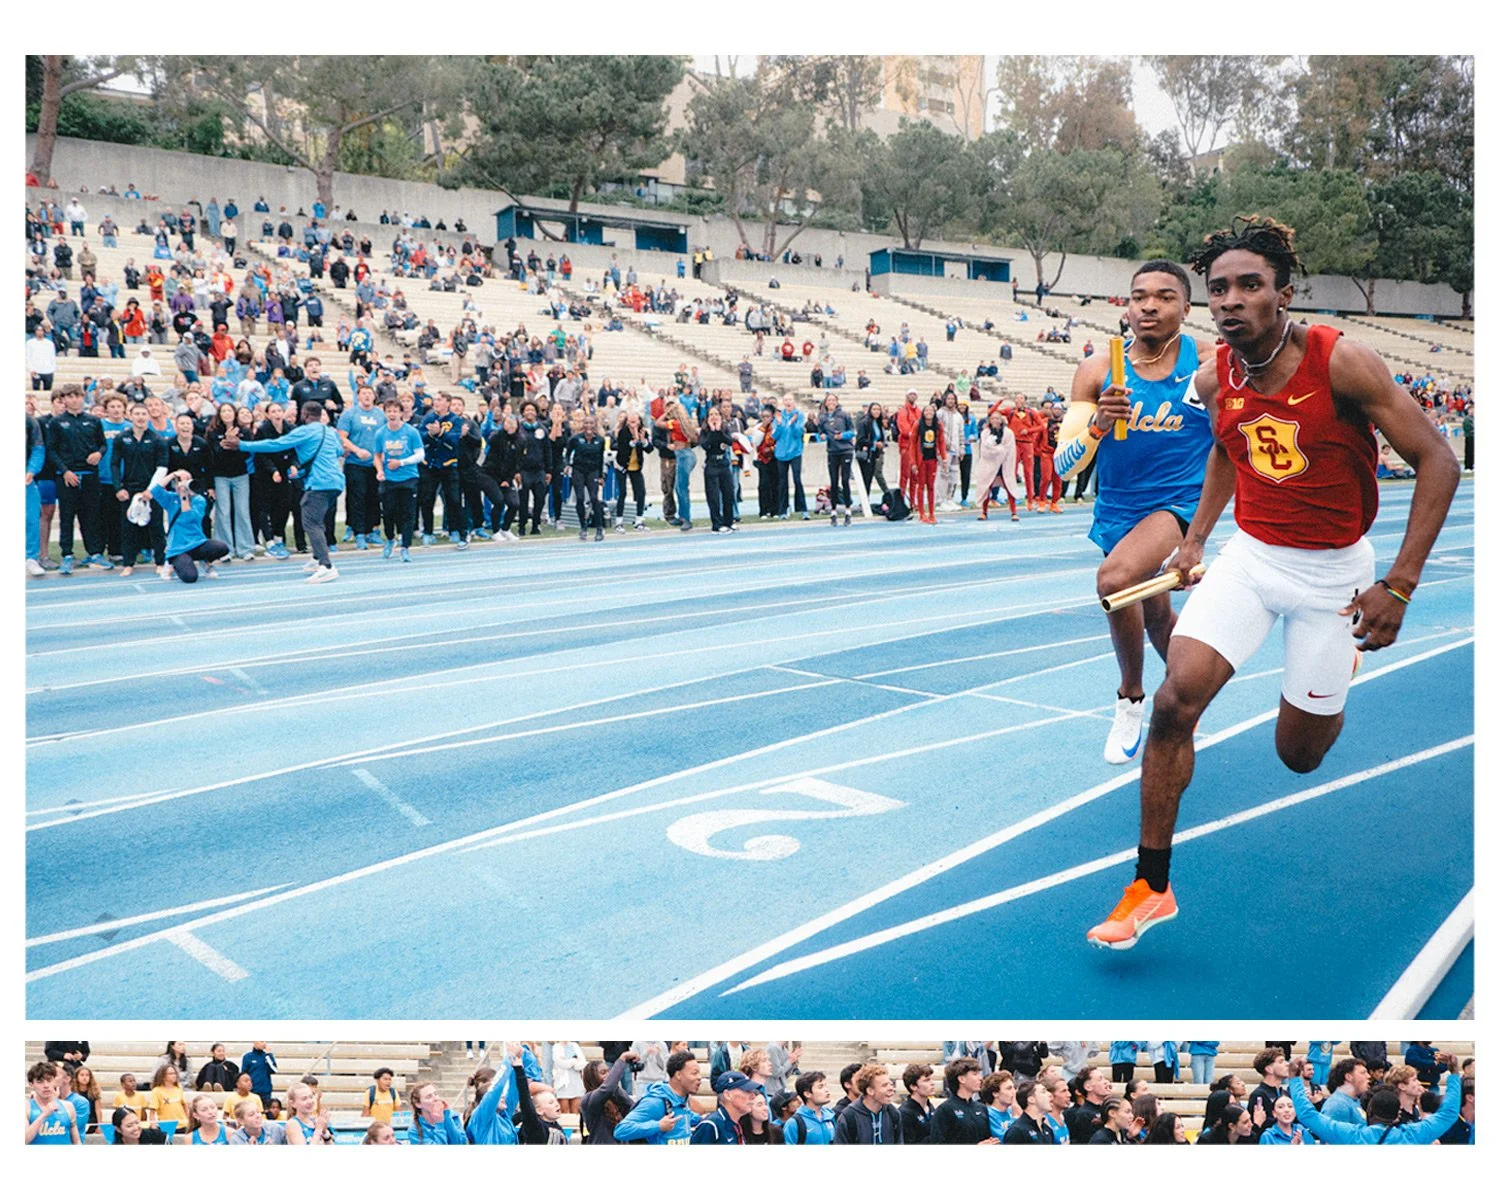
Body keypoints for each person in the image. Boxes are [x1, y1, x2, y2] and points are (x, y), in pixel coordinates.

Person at [1087, 217, 1461, 950]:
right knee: (1173, 702)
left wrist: (1401, 583)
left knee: (1300, 755)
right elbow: (1227, 447)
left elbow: (1439, 460)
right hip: (1253, 560)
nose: (1230, 300)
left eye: (1249, 285)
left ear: (1283, 294)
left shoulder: (1342, 362)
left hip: (1334, 577)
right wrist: (1196, 541)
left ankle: (1335, 663)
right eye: (1220, 288)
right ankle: (1151, 886)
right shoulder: (1212, 375)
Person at [1053, 262, 1216, 765]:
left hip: (1179, 501)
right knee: (1154, 611)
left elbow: (1234, 447)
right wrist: (1098, 424)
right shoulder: (1099, 369)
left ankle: (1130, 697)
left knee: (1115, 580)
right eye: (1139, 296)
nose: (1149, 305)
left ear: (1186, 308)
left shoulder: (1210, 363)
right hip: (1118, 506)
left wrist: (1198, 538)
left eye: (1165, 297)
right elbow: (1064, 466)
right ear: (1126, 306)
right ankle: (1188, 694)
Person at [237, 399, 346, 582]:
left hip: (321, 482)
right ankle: (316, 557)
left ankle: (326, 566)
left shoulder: (305, 431)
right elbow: (337, 452)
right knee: (313, 514)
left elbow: (276, 445)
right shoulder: (330, 432)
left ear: (304, 415)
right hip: (335, 481)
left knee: (311, 522)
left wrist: (243, 445)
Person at [1290, 1055, 1463, 1144]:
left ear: (1369, 1111)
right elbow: (1449, 1113)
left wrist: (1294, 1079)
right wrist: (1454, 1074)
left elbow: (1307, 1115)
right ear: (1398, 1114)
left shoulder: (1353, 1136)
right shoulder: (1413, 1135)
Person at [151, 469, 227, 583]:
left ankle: (204, 561)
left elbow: (188, 518)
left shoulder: (199, 500)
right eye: (181, 481)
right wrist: (173, 475)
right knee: (190, 577)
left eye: (188, 480)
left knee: (222, 548)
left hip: (197, 542)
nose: (185, 483)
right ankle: (171, 564)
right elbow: (155, 490)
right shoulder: (170, 499)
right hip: (178, 548)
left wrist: (185, 497)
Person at [613, 1049, 700, 1145]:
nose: (699, 1077)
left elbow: (684, 1116)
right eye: (694, 1073)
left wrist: (704, 1119)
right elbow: (621, 1130)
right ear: (678, 1075)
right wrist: (658, 1126)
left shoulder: (682, 1099)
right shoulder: (655, 1102)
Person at [971, 403, 1022, 521]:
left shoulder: (1008, 433)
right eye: (993, 418)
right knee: (986, 487)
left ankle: (1014, 512)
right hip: (989, 464)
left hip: (1004, 464)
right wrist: (998, 450)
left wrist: (997, 450)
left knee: (1010, 487)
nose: (995, 420)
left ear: (1001, 420)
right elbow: (985, 450)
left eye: (997, 418)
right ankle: (984, 512)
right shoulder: (985, 433)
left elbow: (1008, 449)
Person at [563, 410, 608, 542]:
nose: (589, 426)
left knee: (594, 498)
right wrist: (567, 465)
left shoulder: (600, 440)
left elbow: (601, 459)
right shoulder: (576, 439)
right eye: (586, 423)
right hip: (578, 470)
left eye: (591, 423)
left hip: (593, 471)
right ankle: (583, 527)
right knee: (580, 498)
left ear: (594, 425)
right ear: (583, 425)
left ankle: (599, 527)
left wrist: (601, 476)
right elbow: (567, 454)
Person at [930, 1057, 997, 1144]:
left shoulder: (981, 1108)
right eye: (975, 1074)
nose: (980, 1078)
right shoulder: (945, 1110)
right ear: (962, 1079)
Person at [833, 1064, 904, 1144]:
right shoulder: (849, 1116)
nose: (891, 1089)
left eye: (890, 1084)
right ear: (870, 1091)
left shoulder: (893, 1113)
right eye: (884, 1085)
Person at [816, 393, 856, 525]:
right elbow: (821, 433)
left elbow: (852, 432)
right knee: (833, 482)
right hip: (832, 451)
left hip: (845, 450)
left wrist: (843, 435)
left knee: (845, 480)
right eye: (829, 400)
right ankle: (833, 512)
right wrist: (822, 437)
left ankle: (848, 511)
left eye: (833, 400)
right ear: (826, 403)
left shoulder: (844, 415)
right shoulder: (822, 417)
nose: (831, 402)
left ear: (837, 402)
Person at [690, 1071, 758, 1144]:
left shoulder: (736, 1123)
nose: (753, 1096)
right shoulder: (711, 1125)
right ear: (728, 1095)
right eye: (747, 1091)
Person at [27, 1061, 82, 1145]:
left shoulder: (68, 1106)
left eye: (49, 1080)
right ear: (31, 1084)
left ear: (54, 1081)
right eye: (40, 1082)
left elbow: (77, 1141)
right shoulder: (27, 1108)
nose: (46, 1085)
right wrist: (43, 1115)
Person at [772, 398, 808, 519]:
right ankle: (783, 510)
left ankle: (803, 509)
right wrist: (781, 424)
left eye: (790, 401)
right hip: (781, 454)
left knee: (797, 479)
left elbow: (798, 434)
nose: (788, 403)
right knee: (782, 482)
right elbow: (774, 436)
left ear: (794, 402)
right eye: (786, 401)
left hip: (795, 452)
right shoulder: (778, 416)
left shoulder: (799, 415)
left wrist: (792, 424)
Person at [913, 402, 945, 524]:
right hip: (921, 459)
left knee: (931, 486)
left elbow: (941, 442)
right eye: (926, 411)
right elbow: (912, 444)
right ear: (923, 412)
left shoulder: (938, 425)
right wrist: (913, 463)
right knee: (921, 486)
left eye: (931, 411)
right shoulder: (917, 425)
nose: (929, 413)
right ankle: (921, 513)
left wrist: (944, 458)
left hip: (932, 459)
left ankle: (932, 513)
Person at [783, 1072, 836, 1145]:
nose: (826, 1090)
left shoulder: (831, 1117)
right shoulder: (794, 1123)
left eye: (825, 1086)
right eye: (820, 1087)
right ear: (807, 1094)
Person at [1002, 1079, 1060, 1144]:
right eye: (1043, 1092)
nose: (1049, 1094)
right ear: (1031, 1099)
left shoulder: (1047, 1130)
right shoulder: (1017, 1132)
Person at [1321, 1058, 1371, 1125]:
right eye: (1363, 1073)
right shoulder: (1337, 1105)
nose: (1368, 1076)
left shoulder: (1355, 1101)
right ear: (1348, 1077)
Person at [897, 1063, 936, 1144]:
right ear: (913, 1086)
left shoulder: (931, 1107)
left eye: (932, 1079)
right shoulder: (904, 1113)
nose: (932, 1083)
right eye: (926, 1080)